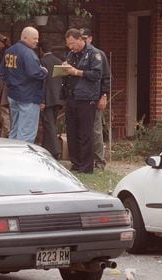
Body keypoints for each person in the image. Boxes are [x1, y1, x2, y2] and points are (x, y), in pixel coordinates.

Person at [62, 28, 103, 173]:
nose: (71, 47)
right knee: (72, 132)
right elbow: (69, 70)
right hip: (72, 97)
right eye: (68, 44)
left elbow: (97, 74)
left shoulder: (94, 54)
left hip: (87, 99)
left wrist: (77, 72)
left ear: (81, 39)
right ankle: (76, 163)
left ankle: (86, 167)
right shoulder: (71, 54)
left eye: (73, 43)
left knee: (86, 133)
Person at [0, 26, 48, 144]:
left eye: (37, 38)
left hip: (13, 95)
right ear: (25, 37)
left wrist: (13, 82)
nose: (36, 41)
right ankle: (22, 158)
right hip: (28, 96)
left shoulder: (9, 51)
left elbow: (2, 73)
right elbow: (35, 72)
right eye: (34, 39)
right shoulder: (28, 53)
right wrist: (44, 71)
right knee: (26, 132)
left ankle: (12, 155)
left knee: (15, 128)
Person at [80, 28, 111, 170]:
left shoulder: (98, 54)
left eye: (85, 37)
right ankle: (85, 159)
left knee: (96, 130)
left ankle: (99, 161)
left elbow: (106, 77)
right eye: (81, 38)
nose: (84, 40)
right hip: (81, 98)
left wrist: (104, 95)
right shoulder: (77, 54)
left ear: (90, 38)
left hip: (95, 97)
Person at [39, 41, 64, 159]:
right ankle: (46, 148)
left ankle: (55, 151)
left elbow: (42, 82)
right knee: (51, 123)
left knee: (48, 124)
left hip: (47, 98)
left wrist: (42, 99)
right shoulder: (59, 62)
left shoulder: (42, 62)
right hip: (58, 98)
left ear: (41, 49)